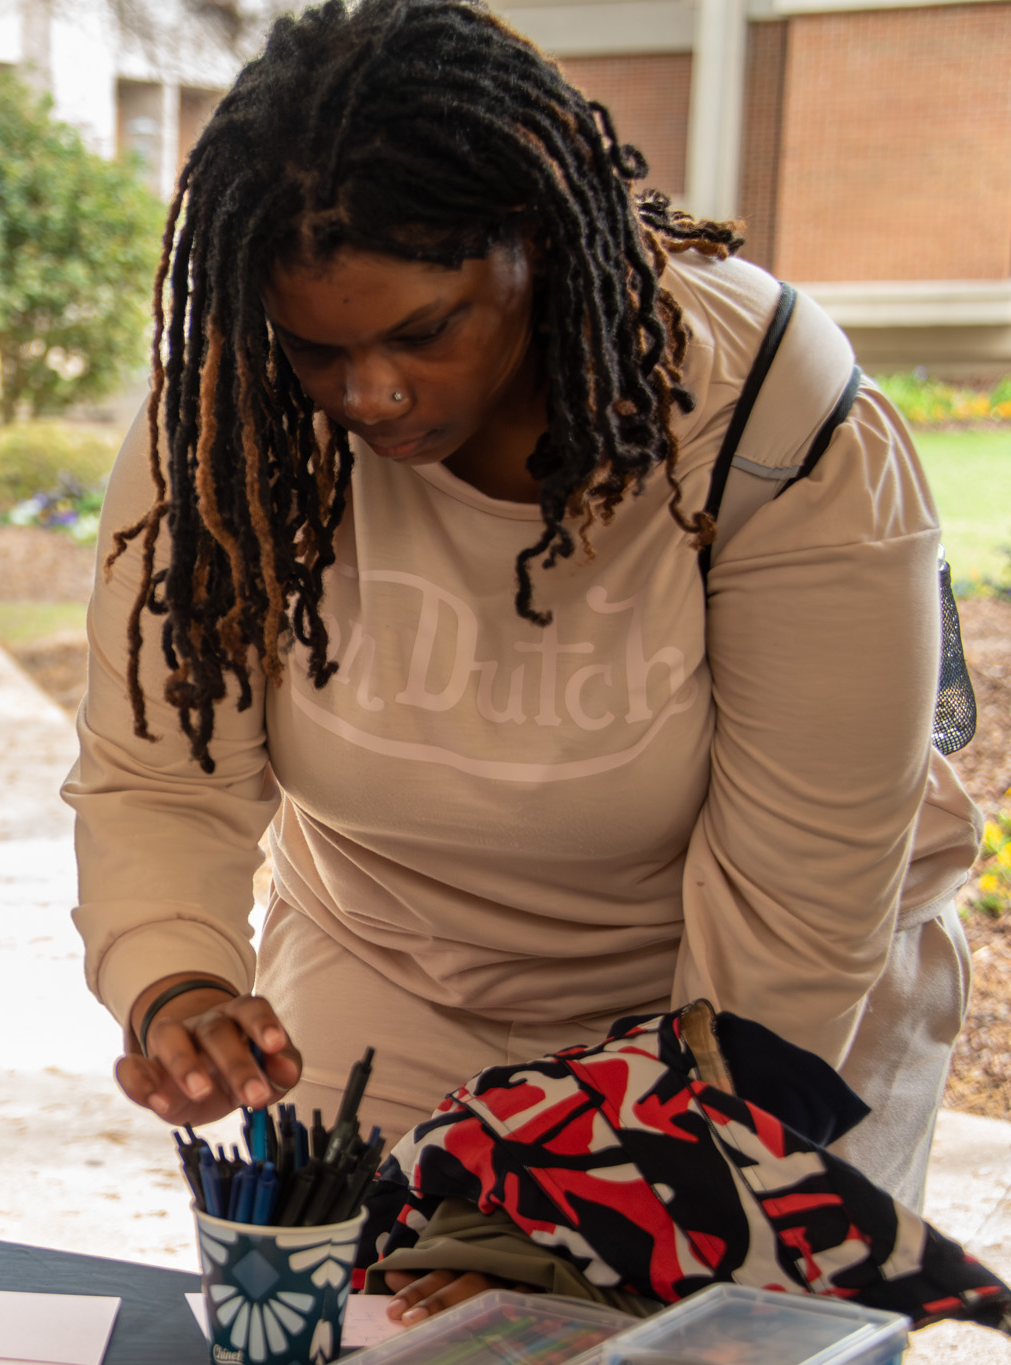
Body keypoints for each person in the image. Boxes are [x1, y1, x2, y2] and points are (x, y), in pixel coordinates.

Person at [63, 0, 980, 1321]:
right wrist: (180, 979)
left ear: (543, 254)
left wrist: (577, 1210)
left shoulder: (773, 425)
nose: (368, 393)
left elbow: (793, 918)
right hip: (397, 965)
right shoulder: (235, 417)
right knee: (368, 1336)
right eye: (322, 346)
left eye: (425, 330)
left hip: (754, 1014)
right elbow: (161, 775)